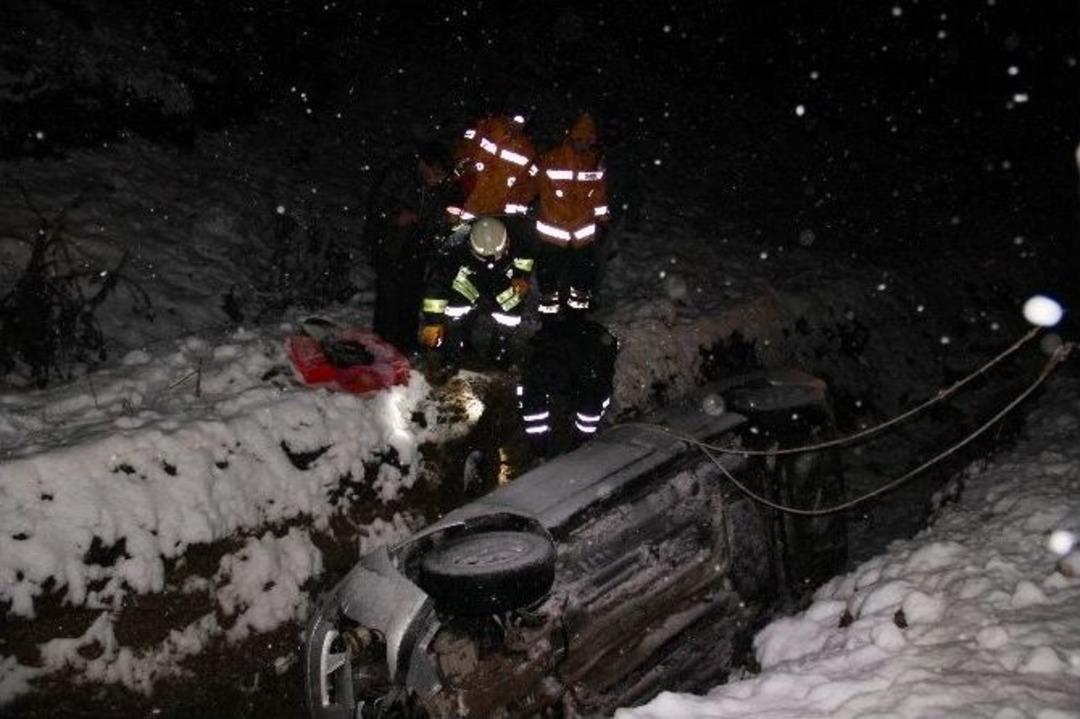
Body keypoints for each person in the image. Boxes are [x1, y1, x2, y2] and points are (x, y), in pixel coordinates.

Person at [363, 141, 454, 352]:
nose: (438, 178)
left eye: (442, 175)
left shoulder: (437, 187)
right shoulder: (399, 173)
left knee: (411, 295)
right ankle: (384, 343)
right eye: (436, 172)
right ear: (424, 164)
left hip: (417, 245)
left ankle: (406, 343)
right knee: (389, 295)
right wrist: (396, 216)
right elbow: (376, 204)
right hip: (390, 242)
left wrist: (441, 224)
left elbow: (436, 213)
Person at [420, 217, 534, 366]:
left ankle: (500, 351)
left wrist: (521, 276)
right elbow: (437, 287)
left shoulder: (519, 235)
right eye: (484, 258)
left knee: (513, 300)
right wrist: (433, 322)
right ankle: (453, 349)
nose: (490, 261)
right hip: (470, 282)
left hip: (502, 280)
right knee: (454, 309)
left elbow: (526, 256)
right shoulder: (453, 248)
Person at [534, 112, 610, 316]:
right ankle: (548, 314)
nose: (583, 144)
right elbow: (537, 186)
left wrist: (602, 219)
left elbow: (599, 194)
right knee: (548, 273)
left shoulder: (594, 162)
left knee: (583, 274)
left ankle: (577, 313)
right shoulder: (552, 158)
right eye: (580, 139)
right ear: (571, 137)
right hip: (554, 228)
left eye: (587, 140)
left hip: (582, 230)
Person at [517, 312, 618, 458]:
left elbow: (590, 413)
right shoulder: (538, 369)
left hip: (592, 351)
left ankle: (575, 442)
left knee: (588, 414)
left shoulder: (591, 371)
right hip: (560, 346)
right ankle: (545, 446)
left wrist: (579, 447)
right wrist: (539, 449)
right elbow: (531, 410)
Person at [446, 114, 539, 225]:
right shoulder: (483, 129)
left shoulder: (528, 151)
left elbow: (526, 188)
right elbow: (459, 161)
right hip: (475, 216)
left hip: (495, 221)